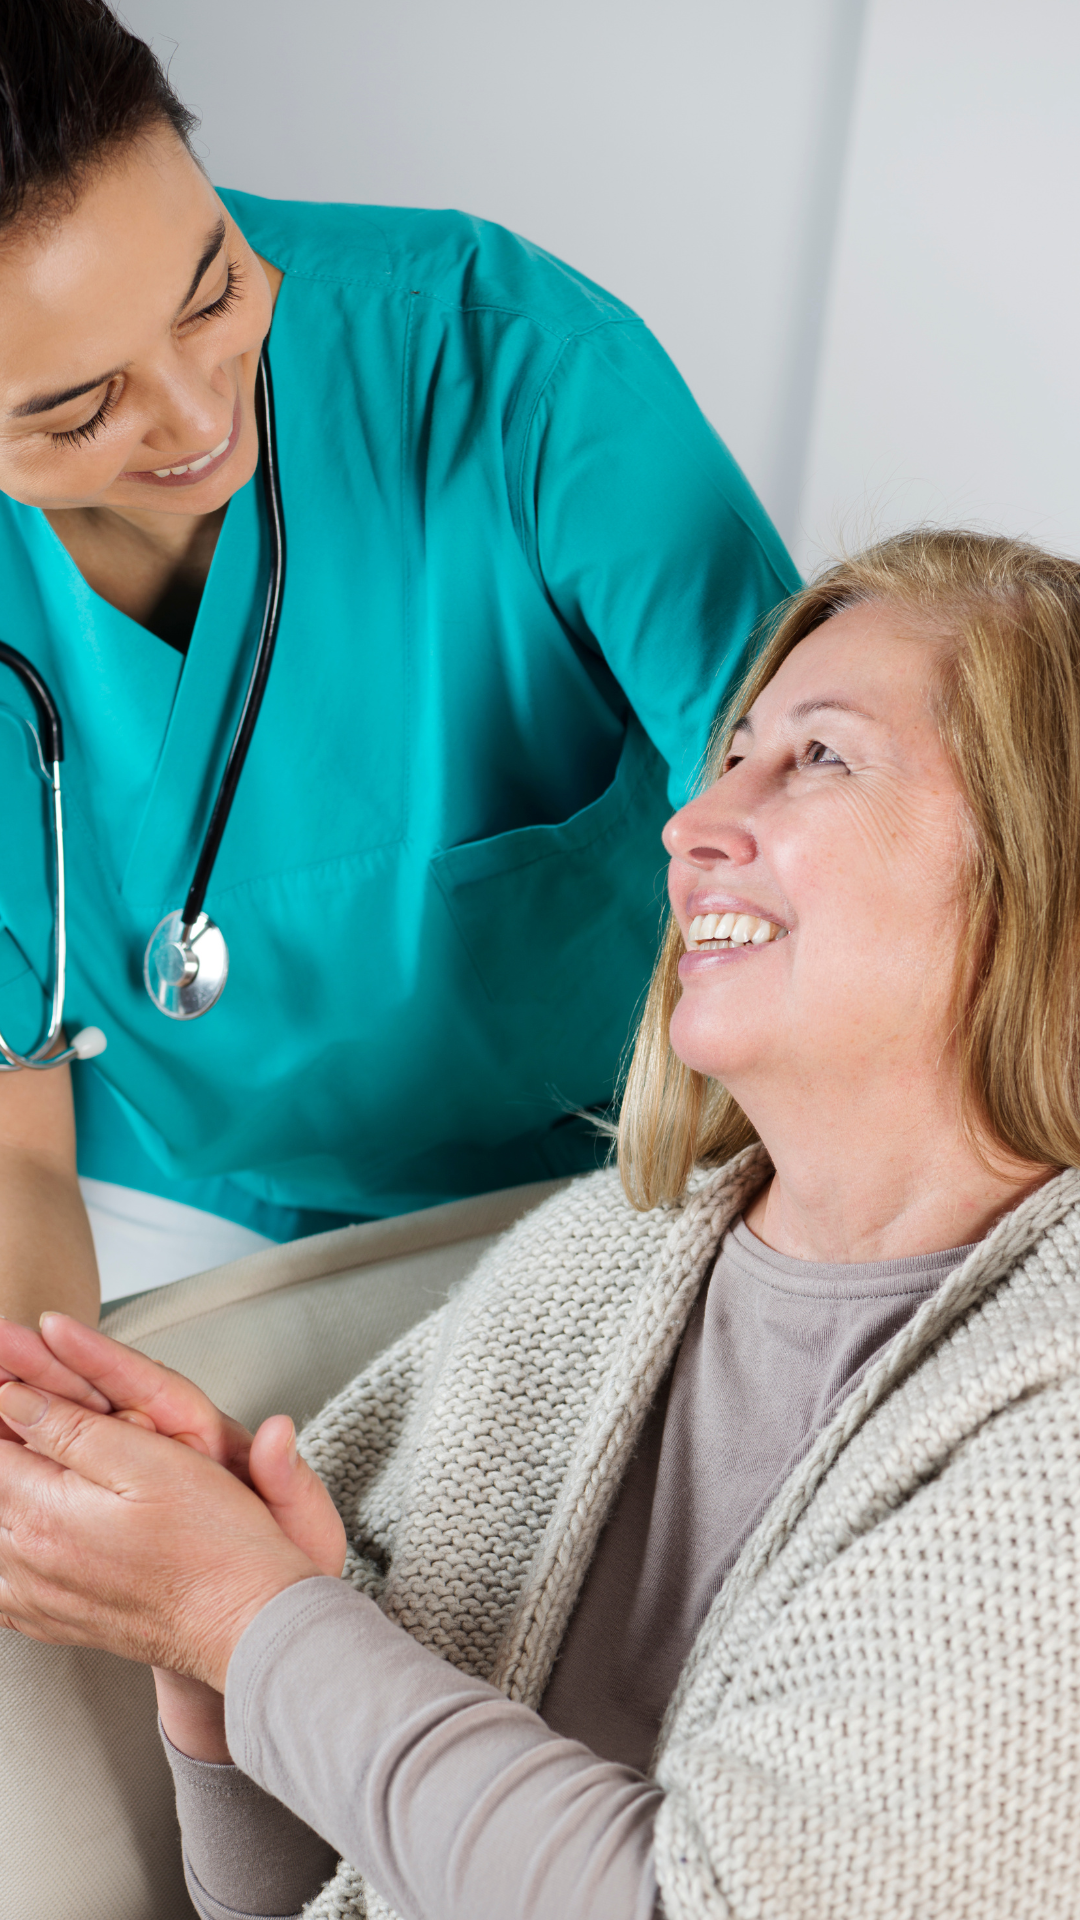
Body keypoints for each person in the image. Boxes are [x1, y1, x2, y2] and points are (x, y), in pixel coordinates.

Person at [5, 527, 1079, 1919]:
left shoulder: (1048, 1408)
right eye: (733, 753)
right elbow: (292, 1900)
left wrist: (250, 1617)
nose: (692, 827)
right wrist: (215, 1658)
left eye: (821, 758)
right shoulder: (592, 1267)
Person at [0, 0, 796, 1324]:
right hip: (174, 1198)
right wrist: (51, 1437)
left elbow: (834, 854)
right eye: (81, 409)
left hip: (631, 1170)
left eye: (216, 291)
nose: (201, 418)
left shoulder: (513, 365)